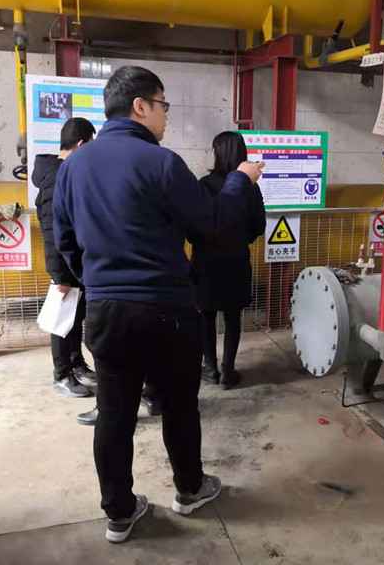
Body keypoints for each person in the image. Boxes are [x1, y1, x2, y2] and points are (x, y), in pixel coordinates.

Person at [53, 65, 264, 543]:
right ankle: (190, 489)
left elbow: (64, 242)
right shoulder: (161, 163)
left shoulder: (73, 169)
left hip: (106, 311)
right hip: (167, 309)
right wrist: (240, 180)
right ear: (140, 106)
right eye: (163, 105)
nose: (166, 116)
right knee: (179, 406)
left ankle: (119, 513)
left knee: (115, 413)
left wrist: (100, 283)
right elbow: (213, 225)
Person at [191, 132, 266, 389]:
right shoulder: (250, 187)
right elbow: (259, 226)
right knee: (233, 317)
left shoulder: (203, 185)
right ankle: (228, 371)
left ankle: (210, 368)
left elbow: (194, 226)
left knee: (206, 316)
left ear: (217, 153)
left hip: (206, 263)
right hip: (236, 261)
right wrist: (239, 239)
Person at [33, 118, 97, 402]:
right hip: (65, 266)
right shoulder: (56, 178)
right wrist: (59, 275)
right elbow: (51, 231)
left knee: (75, 318)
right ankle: (62, 375)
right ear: (81, 144)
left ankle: (76, 364)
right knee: (62, 322)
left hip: (77, 263)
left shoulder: (67, 173)